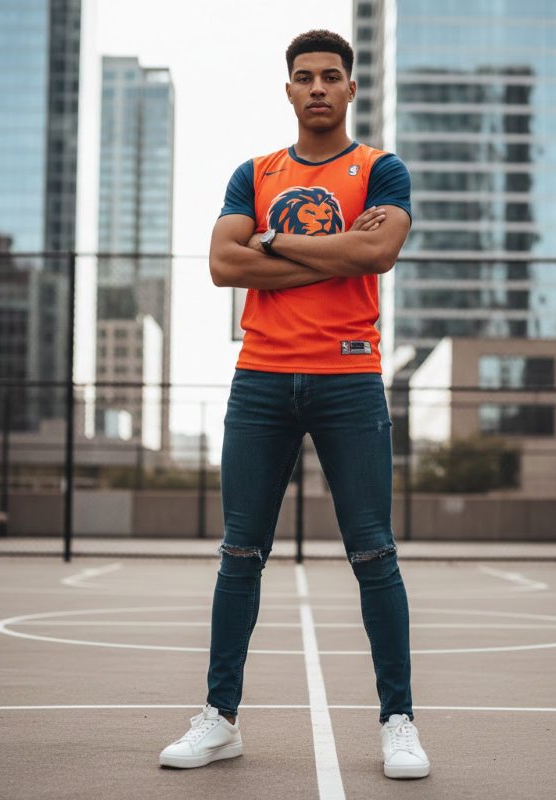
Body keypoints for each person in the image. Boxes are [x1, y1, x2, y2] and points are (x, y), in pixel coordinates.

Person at [159, 29, 429, 780]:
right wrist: (327, 245)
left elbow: (377, 255)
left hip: (349, 376)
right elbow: (222, 264)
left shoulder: (381, 169)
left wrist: (271, 244)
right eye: (304, 77)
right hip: (263, 377)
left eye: (330, 77)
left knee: (374, 553)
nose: (317, 87)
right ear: (289, 90)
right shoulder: (255, 172)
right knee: (240, 555)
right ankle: (219, 720)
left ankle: (398, 723)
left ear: (349, 90)